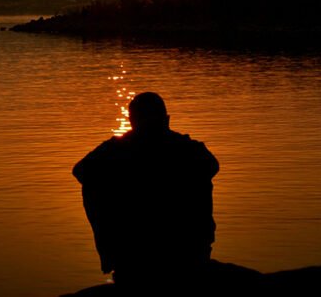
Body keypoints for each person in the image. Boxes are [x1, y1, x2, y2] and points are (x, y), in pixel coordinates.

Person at [73, 92, 219, 292]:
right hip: (179, 249)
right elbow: (212, 166)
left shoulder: (117, 149)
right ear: (166, 119)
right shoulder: (188, 149)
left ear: (132, 121)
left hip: (153, 250)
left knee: (93, 184)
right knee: (92, 183)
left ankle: (116, 255)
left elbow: (81, 171)